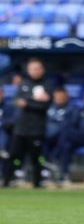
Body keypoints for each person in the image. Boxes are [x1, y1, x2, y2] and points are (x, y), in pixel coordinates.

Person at [3, 59, 52, 188]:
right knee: (13, 155)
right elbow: (16, 100)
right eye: (32, 69)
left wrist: (27, 102)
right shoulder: (23, 83)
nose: (35, 71)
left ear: (42, 69)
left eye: (37, 68)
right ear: (28, 70)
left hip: (37, 128)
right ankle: (6, 181)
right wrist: (34, 99)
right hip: (20, 128)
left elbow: (44, 105)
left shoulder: (47, 84)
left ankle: (37, 183)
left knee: (37, 158)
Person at [44, 88, 77, 180]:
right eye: (57, 96)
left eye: (62, 96)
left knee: (66, 145)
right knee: (38, 141)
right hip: (49, 137)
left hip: (66, 138)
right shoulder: (49, 107)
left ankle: (63, 172)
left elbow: (73, 123)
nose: (59, 98)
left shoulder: (73, 108)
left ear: (66, 97)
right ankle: (45, 171)